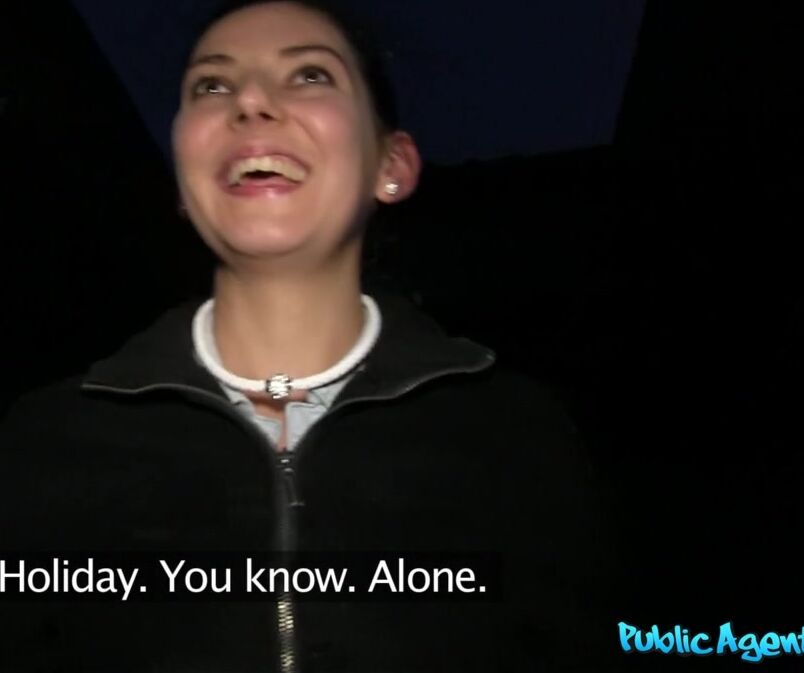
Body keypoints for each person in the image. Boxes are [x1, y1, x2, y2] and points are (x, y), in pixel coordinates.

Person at [0, 1, 610, 671]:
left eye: (311, 75)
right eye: (212, 85)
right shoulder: (40, 441)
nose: (250, 101)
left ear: (391, 164)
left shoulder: (517, 434)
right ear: (181, 181)